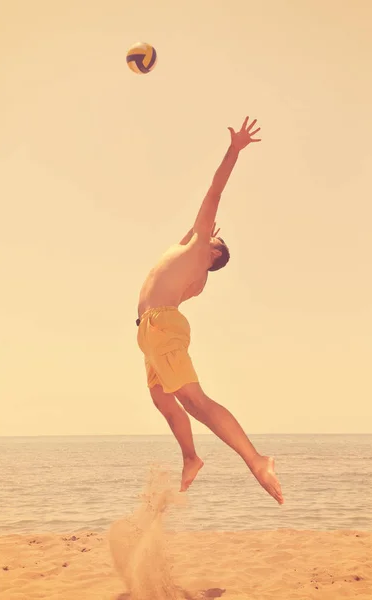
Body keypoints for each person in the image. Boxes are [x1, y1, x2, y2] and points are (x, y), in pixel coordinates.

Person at [136, 117, 284, 505]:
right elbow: (184, 239)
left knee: (195, 401)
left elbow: (213, 192)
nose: (208, 230)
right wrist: (197, 235)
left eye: (213, 238)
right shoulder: (189, 258)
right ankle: (191, 457)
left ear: (213, 253)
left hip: (161, 328)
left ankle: (256, 459)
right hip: (150, 333)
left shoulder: (200, 256)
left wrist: (234, 150)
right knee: (163, 399)